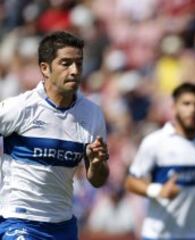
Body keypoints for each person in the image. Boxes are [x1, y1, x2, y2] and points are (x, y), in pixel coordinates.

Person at [0, 31, 109, 239]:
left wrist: (96, 164)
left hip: (63, 225)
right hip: (19, 221)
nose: (75, 71)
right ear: (45, 68)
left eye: (79, 63)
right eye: (66, 63)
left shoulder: (92, 114)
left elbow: (98, 180)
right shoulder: (20, 107)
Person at [125, 83, 195, 240]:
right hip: (159, 235)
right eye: (186, 104)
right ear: (174, 107)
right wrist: (158, 191)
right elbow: (131, 181)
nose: (192, 109)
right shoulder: (155, 141)